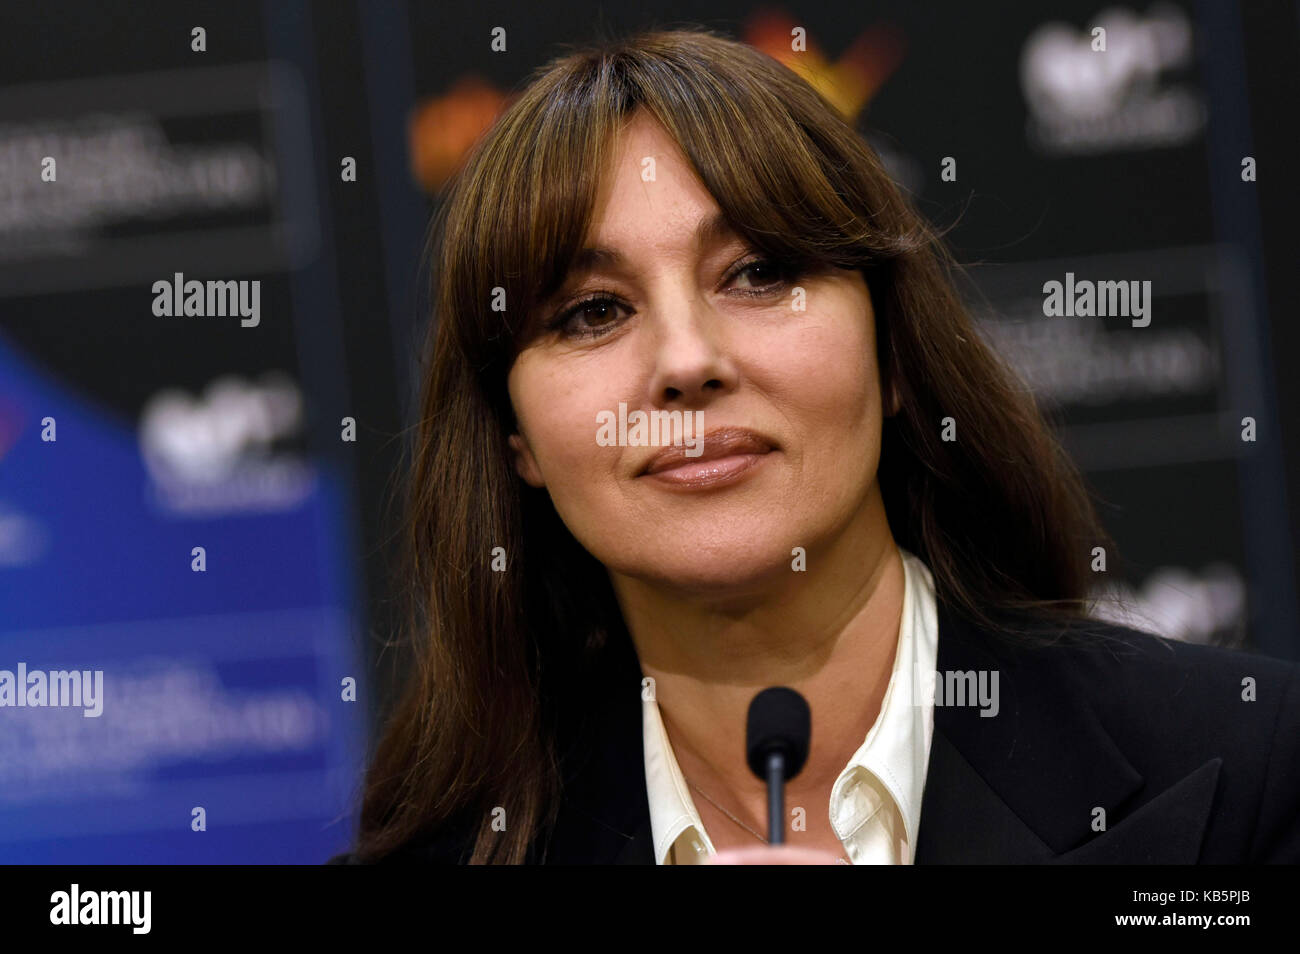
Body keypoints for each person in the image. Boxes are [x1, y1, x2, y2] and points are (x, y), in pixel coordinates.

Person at [329, 28, 1300, 865]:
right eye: (592, 312)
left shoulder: (1249, 770)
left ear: (891, 356)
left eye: (756, 273)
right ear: (516, 441)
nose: (688, 361)